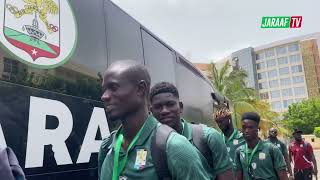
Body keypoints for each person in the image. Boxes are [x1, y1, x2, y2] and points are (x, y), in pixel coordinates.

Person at [98, 60, 211, 180]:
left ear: (140, 89)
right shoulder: (107, 146)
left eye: (113, 88)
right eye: (104, 90)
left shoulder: (174, 147)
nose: (104, 96)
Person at [149, 81, 234, 180]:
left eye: (170, 104)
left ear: (180, 107)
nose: (165, 111)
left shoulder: (209, 137)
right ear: (151, 111)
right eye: (158, 107)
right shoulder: (147, 144)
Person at [235, 112, 288, 180]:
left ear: (258, 129)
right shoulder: (239, 151)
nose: (246, 131)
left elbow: (283, 176)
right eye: (244, 127)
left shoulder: (271, 149)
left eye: (250, 127)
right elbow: (238, 176)